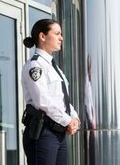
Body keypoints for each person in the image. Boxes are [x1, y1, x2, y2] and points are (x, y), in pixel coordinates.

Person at [20, 19, 79, 165]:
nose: (61, 38)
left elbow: (62, 99)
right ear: (42, 36)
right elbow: (43, 101)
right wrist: (67, 120)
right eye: (57, 33)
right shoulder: (35, 65)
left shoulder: (54, 68)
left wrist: (74, 117)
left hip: (58, 133)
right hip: (43, 132)